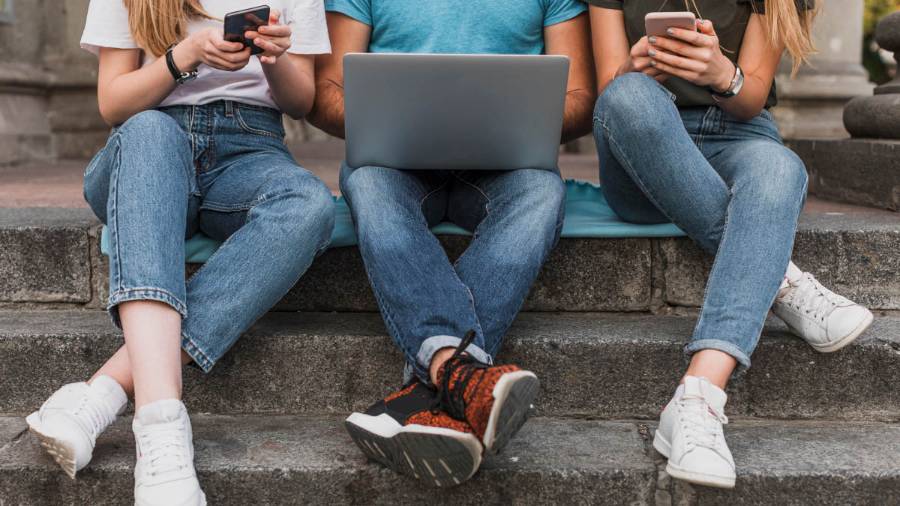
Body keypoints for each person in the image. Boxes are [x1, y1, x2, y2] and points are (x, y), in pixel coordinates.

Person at [25, 1, 333, 504]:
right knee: (148, 130)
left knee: (307, 203)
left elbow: (300, 103)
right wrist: (181, 56)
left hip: (251, 148)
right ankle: (162, 426)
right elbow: (113, 103)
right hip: (147, 143)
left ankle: (104, 393)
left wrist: (275, 59)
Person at [307, 0, 596, 487]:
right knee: (372, 188)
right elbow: (326, 93)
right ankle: (459, 377)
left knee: (543, 194)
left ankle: (427, 389)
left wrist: (505, 121)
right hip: (393, 162)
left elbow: (581, 96)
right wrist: (396, 120)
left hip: (505, 166)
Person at [586, 0, 873, 489]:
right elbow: (609, 91)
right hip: (642, 142)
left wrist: (723, 72)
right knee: (628, 94)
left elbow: (751, 97)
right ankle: (779, 276)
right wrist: (635, 69)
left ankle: (700, 394)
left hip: (737, 132)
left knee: (781, 168)